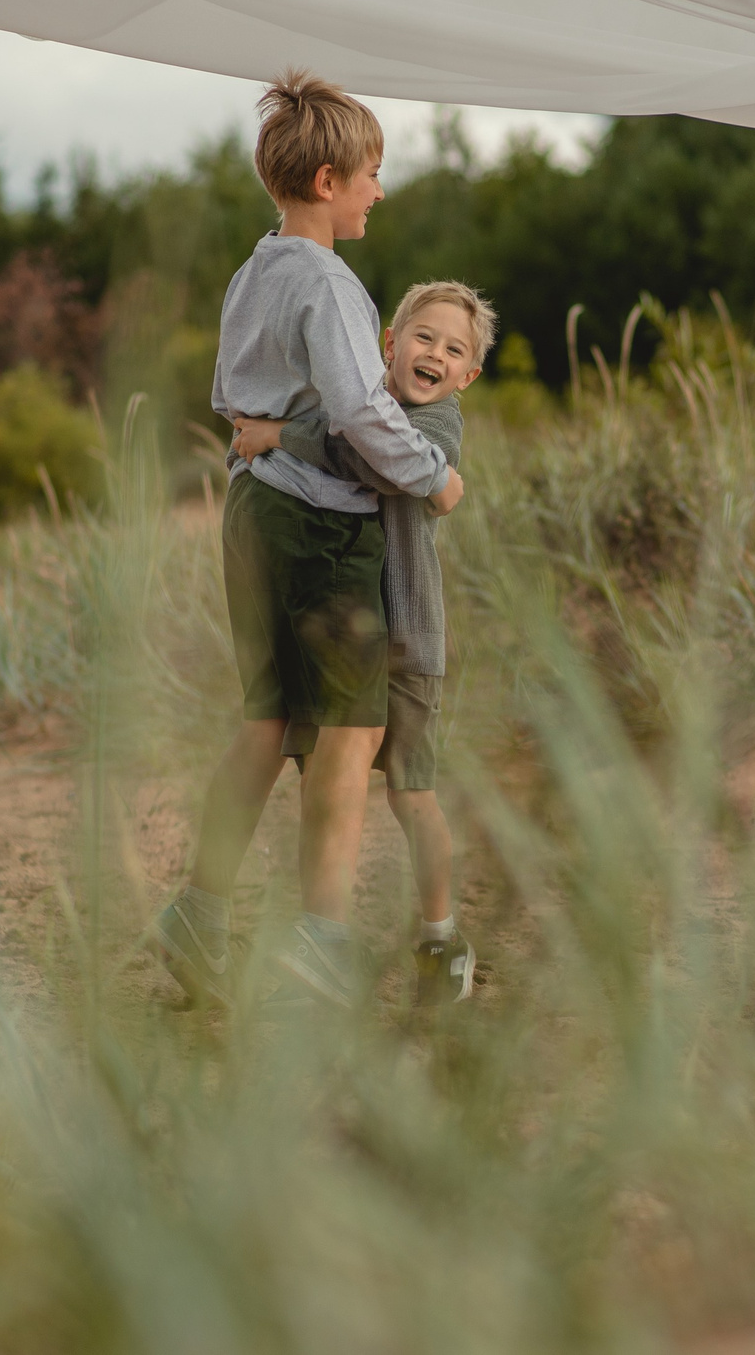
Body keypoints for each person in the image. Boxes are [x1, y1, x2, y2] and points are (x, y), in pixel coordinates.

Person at [149, 73, 466, 1012]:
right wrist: (433, 474)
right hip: (322, 524)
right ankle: (321, 939)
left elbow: (229, 396)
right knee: (350, 728)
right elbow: (364, 413)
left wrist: (271, 435)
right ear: (328, 182)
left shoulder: (254, 272)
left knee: (267, 718)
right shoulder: (330, 284)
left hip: (250, 511)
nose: (380, 191)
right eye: (372, 175)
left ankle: (198, 915)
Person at [229, 280, 496, 1005]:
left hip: (405, 638)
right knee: (323, 780)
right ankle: (320, 932)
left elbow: (373, 461)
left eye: (454, 349)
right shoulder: (358, 407)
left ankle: (441, 934)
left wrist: (279, 436)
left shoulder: (437, 426)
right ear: (389, 344)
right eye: (424, 337)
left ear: (468, 375)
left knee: (412, 795)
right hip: (342, 632)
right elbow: (345, 435)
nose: (435, 354)